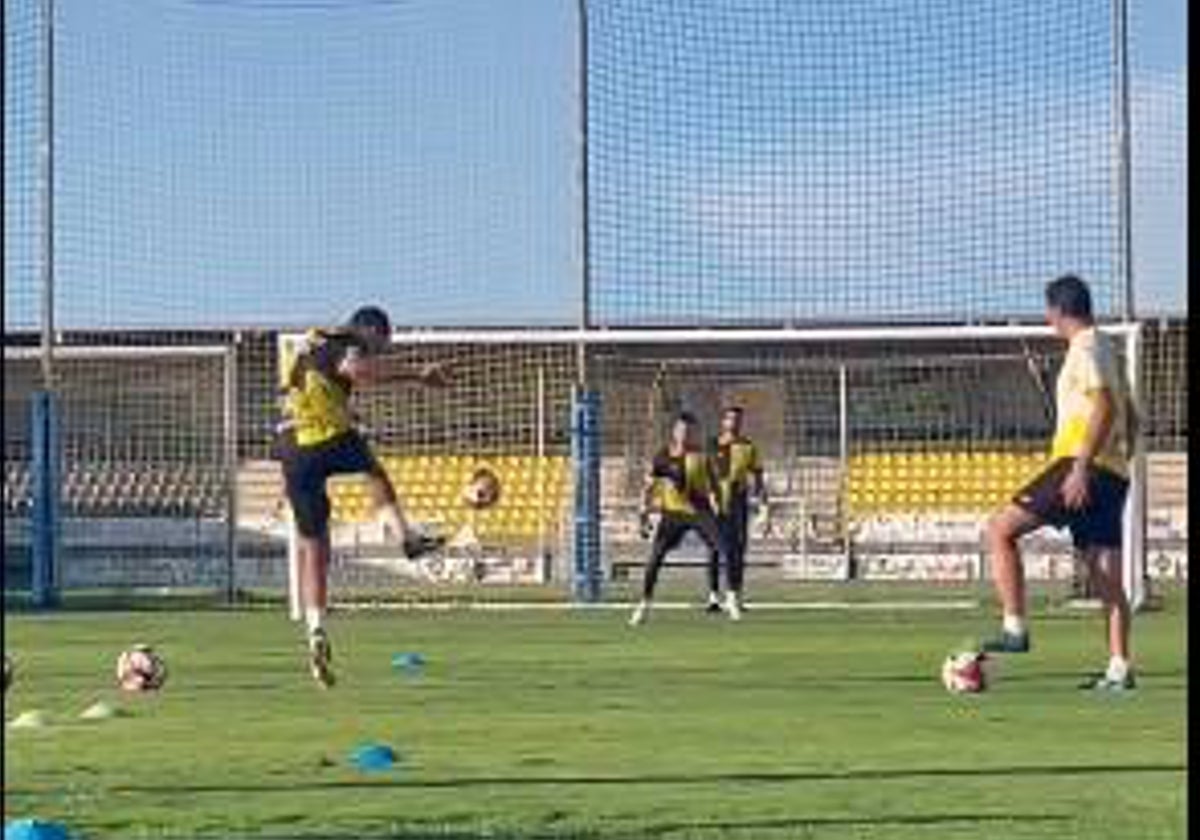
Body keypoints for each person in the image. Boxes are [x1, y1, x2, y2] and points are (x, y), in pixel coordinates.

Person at [276, 305, 448, 687]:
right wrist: (418, 374)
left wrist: (346, 413)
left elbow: (310, 385)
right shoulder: (348, 342)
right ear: (370, 330)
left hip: (290, 446)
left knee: (313, 544)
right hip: (324, 436)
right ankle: (407, 538)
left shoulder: (313, 340)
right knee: (373, 471)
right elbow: (355, 370)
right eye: (381, 343)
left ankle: (316, 629)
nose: (380, 351)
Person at [980, 275, 1138, 691]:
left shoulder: (1085, 347)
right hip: (1113, 472)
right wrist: (1122, 460)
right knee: (1105, 576)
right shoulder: (1109, 348)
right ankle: (1119, 669)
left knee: (1000, 529)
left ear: (1056, 311)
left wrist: (1083, 466)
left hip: (1078, 463)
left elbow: (1104, 404)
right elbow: (1130, 413)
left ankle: (1015, 628)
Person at [630, 412, 727, 626]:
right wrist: (643, 514)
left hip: (699, 511)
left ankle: (726, 597)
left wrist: (718, 506)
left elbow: (714, 486)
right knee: (655, 557)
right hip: (672, 514)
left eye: (690, 431)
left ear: (695, 434)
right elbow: (648, 488)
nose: (685, 434)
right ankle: (644, 605)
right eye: (682, 430)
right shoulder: (662, 456)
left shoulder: (701, 456)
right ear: (675, 432)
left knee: (723, 548)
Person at [704, 406, 766, 618]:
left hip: (738, 501)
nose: (735, 423)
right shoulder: (712, 445)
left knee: (738, 549)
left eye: (738, 419)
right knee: (714, 548)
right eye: (731, 419)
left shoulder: (748, 446)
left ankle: (735, 595)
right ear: (723, 422)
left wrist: (761, 501)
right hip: (715, 501)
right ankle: (713, 596)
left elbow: (757, 475)